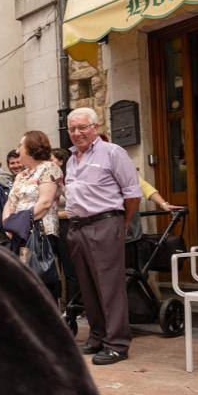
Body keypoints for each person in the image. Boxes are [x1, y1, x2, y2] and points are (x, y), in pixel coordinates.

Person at [64, 108, 141, 365]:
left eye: (82, 127)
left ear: (95, 127)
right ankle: (97, 336)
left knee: (109, 287)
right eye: (72, 129)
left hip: (105, 224)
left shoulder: (113, 152)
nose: (77, 133)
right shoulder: (71, 159)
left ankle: (117, 344)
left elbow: (132, 193)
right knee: (87, 286)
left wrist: (123, 223)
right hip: (78, 227)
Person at [2, 131, 63, 301]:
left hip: (39, 233)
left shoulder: (50, 168)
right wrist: (8, 223)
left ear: (31, 147)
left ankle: (47, 321)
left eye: (20, 145)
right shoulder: (22, 174)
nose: (17, 149)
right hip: (20, 234)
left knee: (40, 279)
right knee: (23, 279)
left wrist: (17, 223)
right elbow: (10, 202)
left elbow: (44, 203)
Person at [51, 147, 80, 307]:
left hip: (66, 225)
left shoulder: (69, 180)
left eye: (52, 159)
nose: (49, 162)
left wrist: (54, 215)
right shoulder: (51, 178)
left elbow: (75, 208)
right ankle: (61, 303)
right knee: (56, 267)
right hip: (54, 226)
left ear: (61, 161)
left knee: (69, 268)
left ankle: (72, 304)